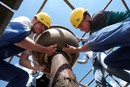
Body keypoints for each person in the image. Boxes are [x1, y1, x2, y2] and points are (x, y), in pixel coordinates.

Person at [62, 7, 130, 83]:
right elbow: (96, 37)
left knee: (94, 43)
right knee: (110, 63)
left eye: (80, 25)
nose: (81, 29)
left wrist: (76, 49)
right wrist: (82, 39)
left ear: (87, 17)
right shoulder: (94, 34)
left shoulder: (98, 16)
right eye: (78, 28)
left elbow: (97, 38)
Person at [0, 12, 56, 87]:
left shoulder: (31, 42)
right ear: (34, 19)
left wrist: (41, 68)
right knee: (24, 33)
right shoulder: (24, 21)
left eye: (45, 28)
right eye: (42, 24)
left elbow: (23, 61)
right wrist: (46, 50)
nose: (43, 28)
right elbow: (20, 40)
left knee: (22, 76)